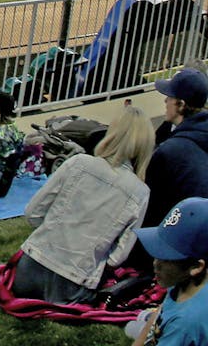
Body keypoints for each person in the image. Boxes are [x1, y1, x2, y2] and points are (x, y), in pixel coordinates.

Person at [12, 104, 155, 304]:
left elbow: (33, 213)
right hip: (72, 286)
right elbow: (117, 258)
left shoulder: (78, 163)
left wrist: (54, 234)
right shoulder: (140, 192)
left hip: (28, 272)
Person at [132, 196, 208, 346]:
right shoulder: (184, 281)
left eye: (166, 258)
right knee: (136, 326)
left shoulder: (185, 323)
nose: (155, 263)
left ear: (196, 267)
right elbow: (160, 313)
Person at [145, 69, 208, 230]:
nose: (165, 101)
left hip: (174, 238)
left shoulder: (169, 152)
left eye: (170, 97)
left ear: (181, 105)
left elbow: (150, 211)